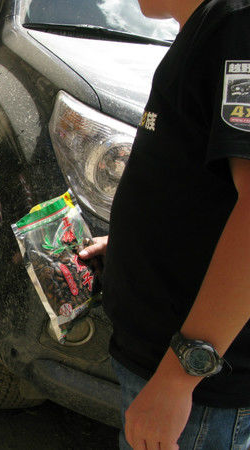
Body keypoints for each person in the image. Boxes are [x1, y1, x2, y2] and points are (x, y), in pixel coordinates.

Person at [79, 1, 250, 448]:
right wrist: (129, 246)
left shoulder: (239, 25)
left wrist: (180, 377)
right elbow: (200, 190)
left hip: (199, 395)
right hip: (162, 369)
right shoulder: (209, 29)